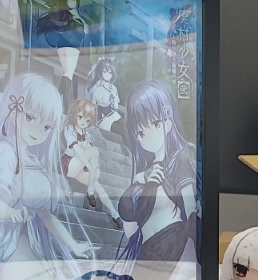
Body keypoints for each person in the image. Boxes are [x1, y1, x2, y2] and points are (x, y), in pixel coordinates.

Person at [0, 73, 93, 275]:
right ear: (14, 113)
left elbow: (45, 215)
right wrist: (12, 213)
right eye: (29, 117)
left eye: (46, 127)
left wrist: (73, 245)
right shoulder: (5, 151)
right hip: (3, 242)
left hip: (29, 241)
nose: (38, 130)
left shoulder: (33, 160)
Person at [117, 80, 197, 262]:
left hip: (174, 243)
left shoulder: (178, 159)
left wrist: (191, 251)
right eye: (140, 133)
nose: (148, 136)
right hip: (146, 251)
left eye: (155, 123)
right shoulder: (143, 174)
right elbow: (130, 230)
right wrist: (139, 184)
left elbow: (191, 208)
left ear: (167, 124)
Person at [61, 98, 123, 229]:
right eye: (80, 117)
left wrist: (95, 169)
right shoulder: (69, 129)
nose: (83, 122)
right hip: (69, 164)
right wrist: (91, 168)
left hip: (82, 168)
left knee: (99, 188)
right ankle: (90, 191)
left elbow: (92, 157)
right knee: (94, 151)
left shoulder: (86, 134)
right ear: (75, 114)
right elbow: (78, 152)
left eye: (87, 120)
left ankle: (115, 214)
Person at [36, 0, 88, 109]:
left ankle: (58, 102)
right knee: (68, 73)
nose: (72, 1)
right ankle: (62, 104)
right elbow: (79, 32)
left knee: (67, 73)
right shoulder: (68, 16)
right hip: (69, 45)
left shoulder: (70, 15)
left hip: (70, 45)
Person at [87, 57, 128, 149]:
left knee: (127, 127)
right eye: (104, 72)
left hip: (112, 114)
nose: (107, 75)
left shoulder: (113, 88)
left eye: (110, 72)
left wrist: (114, 99)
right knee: (122, 131)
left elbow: (115, 107)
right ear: (100, 72)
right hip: (102, 118)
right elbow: (93, 106)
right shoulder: (97, 87)